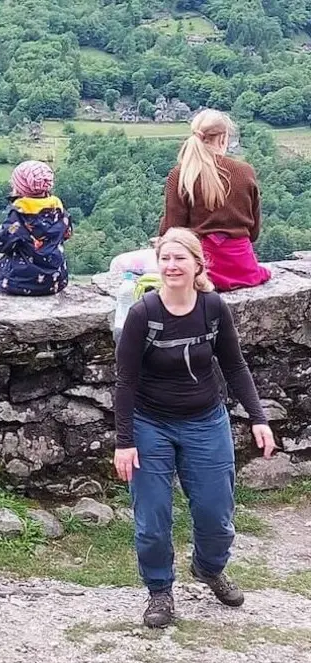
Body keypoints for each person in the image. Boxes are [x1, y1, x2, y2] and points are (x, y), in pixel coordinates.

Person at [113, 228, 276, 629]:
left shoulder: (213, 307)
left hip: (206, 420)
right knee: (152, 519)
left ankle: (208, 568)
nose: (171, 266)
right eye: (165, 258)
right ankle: (159, 592)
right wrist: (124, 442)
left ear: (197, 264)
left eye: (180, 258)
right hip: (150, 423)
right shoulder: (143, 314)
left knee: (217, 515)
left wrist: (258, 418)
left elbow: (234, 366)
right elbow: (125, 382)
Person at [160, 109, 270, 291]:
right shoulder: (245, 171)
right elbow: (254, 232)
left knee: (123, 264)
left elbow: (172, 231)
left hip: (200, 269)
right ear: (223, 138)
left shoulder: (181, 174)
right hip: (242, 267)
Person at [0, 160, 72, 298]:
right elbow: (67, 233)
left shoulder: (20, 213)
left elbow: (1, 244)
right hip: (56, 281)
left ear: (20, 188)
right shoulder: (59, 209)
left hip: (20, 283)